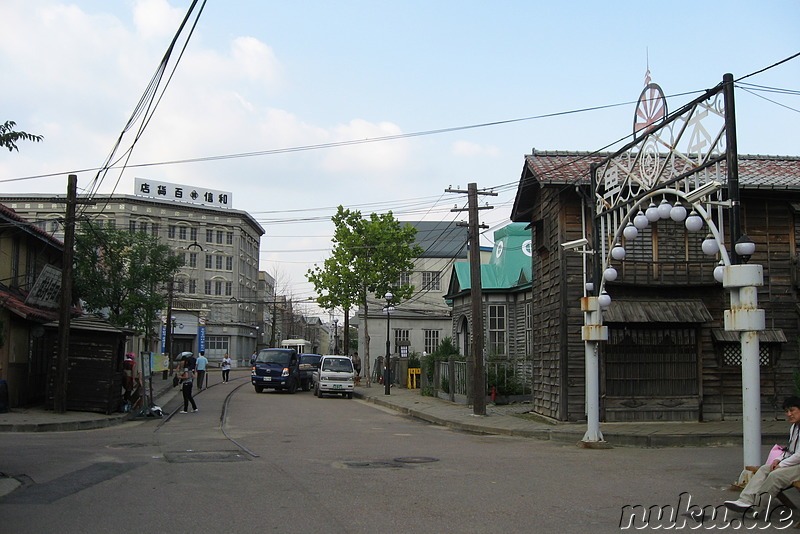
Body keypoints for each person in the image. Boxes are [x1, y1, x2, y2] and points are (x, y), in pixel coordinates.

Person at [725, 396, 800, 518]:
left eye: (792, 410)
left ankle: (756, 509)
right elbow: (791, 450)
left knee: (775, 476)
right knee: (765, 468)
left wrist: (782, 465)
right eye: (787, 411)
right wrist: (778, 459)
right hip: (794, 464)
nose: (789, 414)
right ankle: (745, 500)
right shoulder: (794, 427)